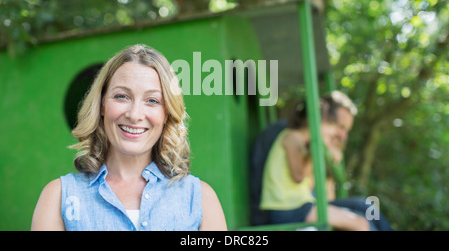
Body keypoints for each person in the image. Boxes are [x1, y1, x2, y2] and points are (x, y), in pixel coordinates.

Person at [31, 44, 227, 231]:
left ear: (167, 113)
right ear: (101, 105)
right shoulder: (59, 197)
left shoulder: (200, 198)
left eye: (152, 100)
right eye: (122, 96)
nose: (134, 115)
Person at [258, 91, 392, 231]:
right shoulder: (293, 138)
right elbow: (298, 177)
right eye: (332, 124)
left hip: (299, 206)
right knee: (360, 224)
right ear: (315, 121)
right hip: (287, 210)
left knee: (363, 217)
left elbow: (309, 185)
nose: (336, 132)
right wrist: (316, 150)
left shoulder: (305, 145)